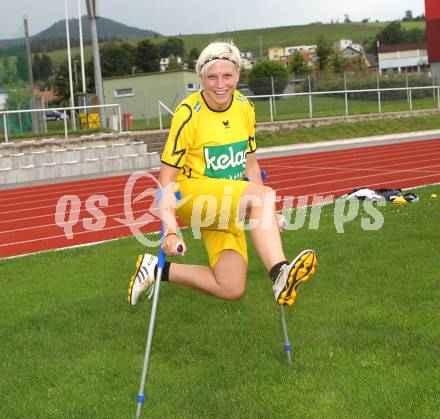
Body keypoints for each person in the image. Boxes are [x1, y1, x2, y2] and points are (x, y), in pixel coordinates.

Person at [128, 41, 317, 306]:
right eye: (212, 77)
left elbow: (251, 165)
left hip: (229, 202)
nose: (220, 84)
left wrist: (267, 215)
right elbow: (166, 180)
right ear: (201, 78)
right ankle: (280, 273)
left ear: (238, 75)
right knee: (262, 197)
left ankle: (156, 270)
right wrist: (170, 230)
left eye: (227, 75)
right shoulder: (188, 113)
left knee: (230, 286)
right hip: (193, 197)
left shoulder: (245, 107)